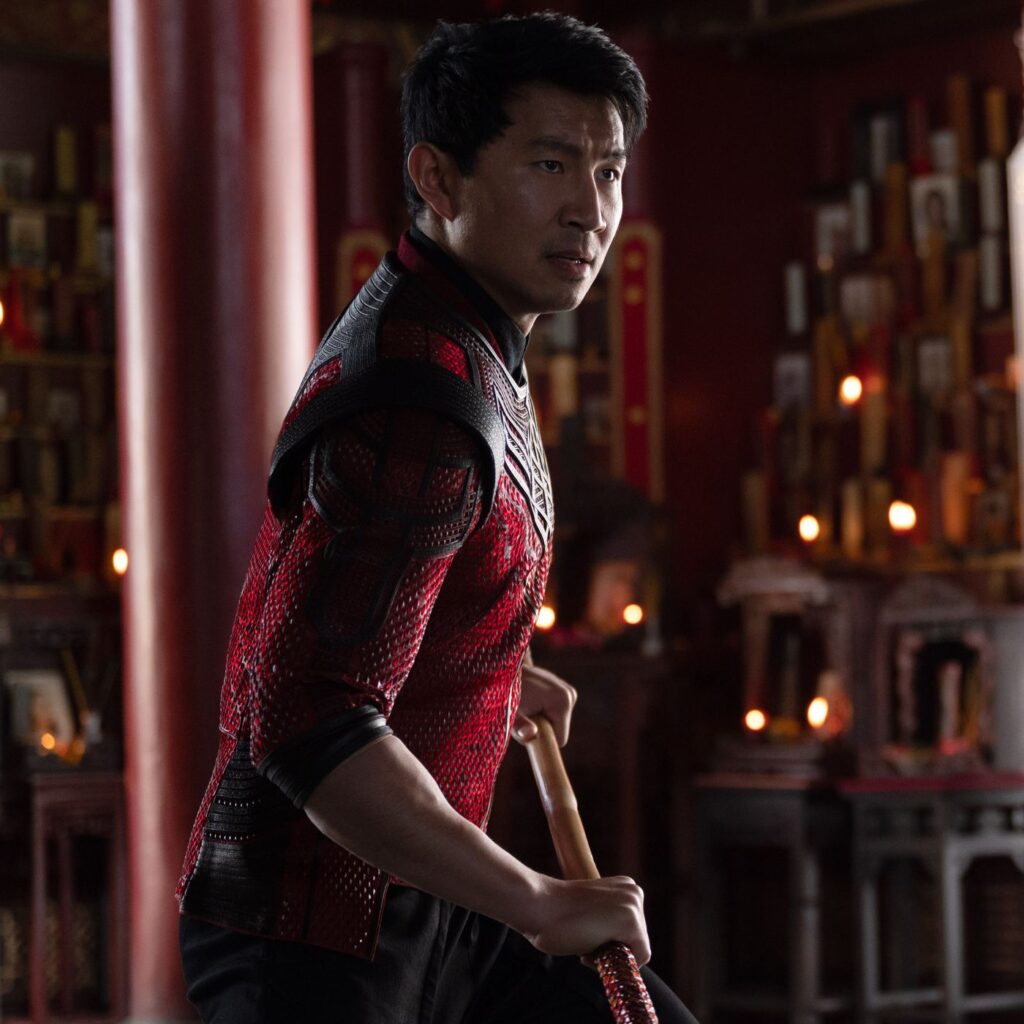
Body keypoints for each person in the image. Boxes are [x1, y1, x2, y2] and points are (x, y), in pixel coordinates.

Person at [177, 13, 697, 1022]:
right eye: (550, 164)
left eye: (607, 172)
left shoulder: (461, 331)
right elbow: (305, 715)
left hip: (418, 906)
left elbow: (377, 601)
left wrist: (480, 668)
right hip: (312, 935)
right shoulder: (419, 394)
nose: (590, 209)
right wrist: (538, 899)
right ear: (439, 177)